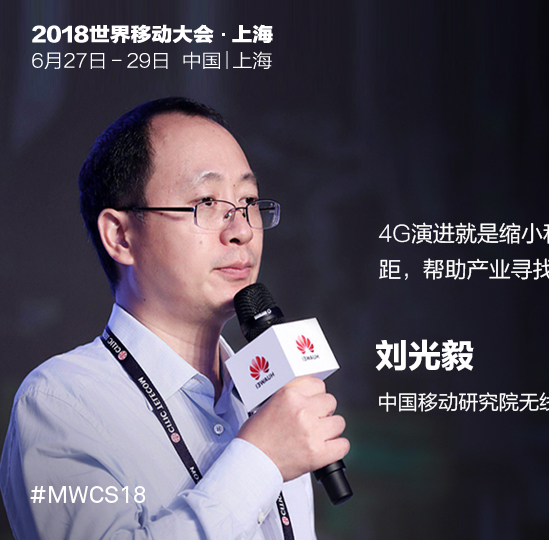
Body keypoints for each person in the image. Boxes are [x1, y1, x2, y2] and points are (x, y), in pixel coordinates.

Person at [0, 97, 349, 539]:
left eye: (248, 200)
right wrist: (260, 460)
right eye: (206, 201)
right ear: (121, 236)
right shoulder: (61, 402)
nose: (242, 229)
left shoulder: (272, 398)